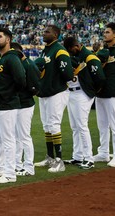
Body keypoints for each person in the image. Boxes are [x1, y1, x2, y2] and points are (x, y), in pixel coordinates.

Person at [34, 25, 74, 173]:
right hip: (45, 92)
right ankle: (50, 157)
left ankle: (59, 161)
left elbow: (68, 74)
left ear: (56, 34)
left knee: (54, 125)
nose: (44, 33)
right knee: (47, 126)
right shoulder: (47, 49)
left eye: (47, 32)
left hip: (56, 92)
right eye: (43, 31)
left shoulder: (59, 50)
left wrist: (55, 81)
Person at [0, 28, 26, 183]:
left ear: (8, 39)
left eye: (0, 37)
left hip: (8, 104)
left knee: (8, 139)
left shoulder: (12, 58)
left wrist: (8, 94)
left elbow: (21, 80)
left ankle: (10, 173)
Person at [63, 36, 106, 169]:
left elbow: (100, 78)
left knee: (81, 126)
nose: (70, 52)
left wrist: (93, 91)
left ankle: (88, 158)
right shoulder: (80, 55)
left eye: (70, 50)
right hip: (71, 92)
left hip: (82, 93)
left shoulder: (89, 57)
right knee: (75, 126)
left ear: (76, 46)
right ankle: (78, 156)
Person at [93, 22, 115, 167]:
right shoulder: (103, 51)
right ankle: (103, 153)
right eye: (104, 32)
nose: (104, 34)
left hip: (114, 93)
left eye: (107, 32)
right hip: (101, 93)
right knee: (102, 125)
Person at [10, 42, 40, 176]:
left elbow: (34, 87)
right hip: (17, 103)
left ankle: (29, 167)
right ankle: (17, 164)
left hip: (26, 104)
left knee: (24, 136)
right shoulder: (19, 63)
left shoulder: (29, 65)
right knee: (17, 136)